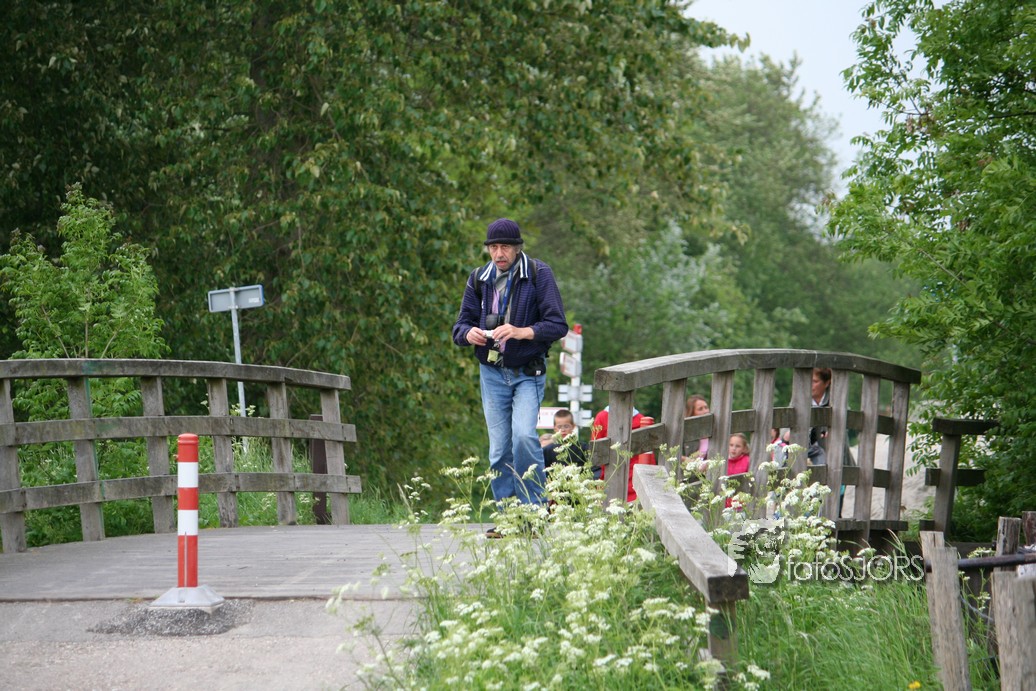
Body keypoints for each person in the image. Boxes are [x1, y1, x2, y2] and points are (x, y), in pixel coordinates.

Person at [452, 218, 568, 536]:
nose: (499, 253)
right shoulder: (479, 278)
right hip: (491, 373)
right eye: (493, 247)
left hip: (527, 372)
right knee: (499, 450)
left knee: (524, 438)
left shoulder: (539, 274)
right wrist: (468, 334)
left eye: (505, 247)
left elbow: (558, 325)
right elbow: (459, 326)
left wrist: (522, 331)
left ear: (517, 248)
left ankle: (534, 515)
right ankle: (508, 519)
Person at [589, 406, 655, 502]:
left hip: (613, 483)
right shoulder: (641, 419)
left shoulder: (602, 417)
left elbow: (595, 455)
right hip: (635, 484)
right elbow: (650, 462)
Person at [724, 432, 751, 508]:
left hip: (741, 504)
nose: (734, 448)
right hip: (724, 504)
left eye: (738, 446)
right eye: (731, 445)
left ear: (744, 448)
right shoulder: (723, 461)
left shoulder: (747, 461)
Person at [683, 394, 711, 461]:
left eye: (706, 407)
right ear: (692, 413)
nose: (705, 411)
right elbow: (674, 454)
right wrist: (688, 460)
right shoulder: (685, 432)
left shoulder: (714, 428)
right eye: (700, 409)